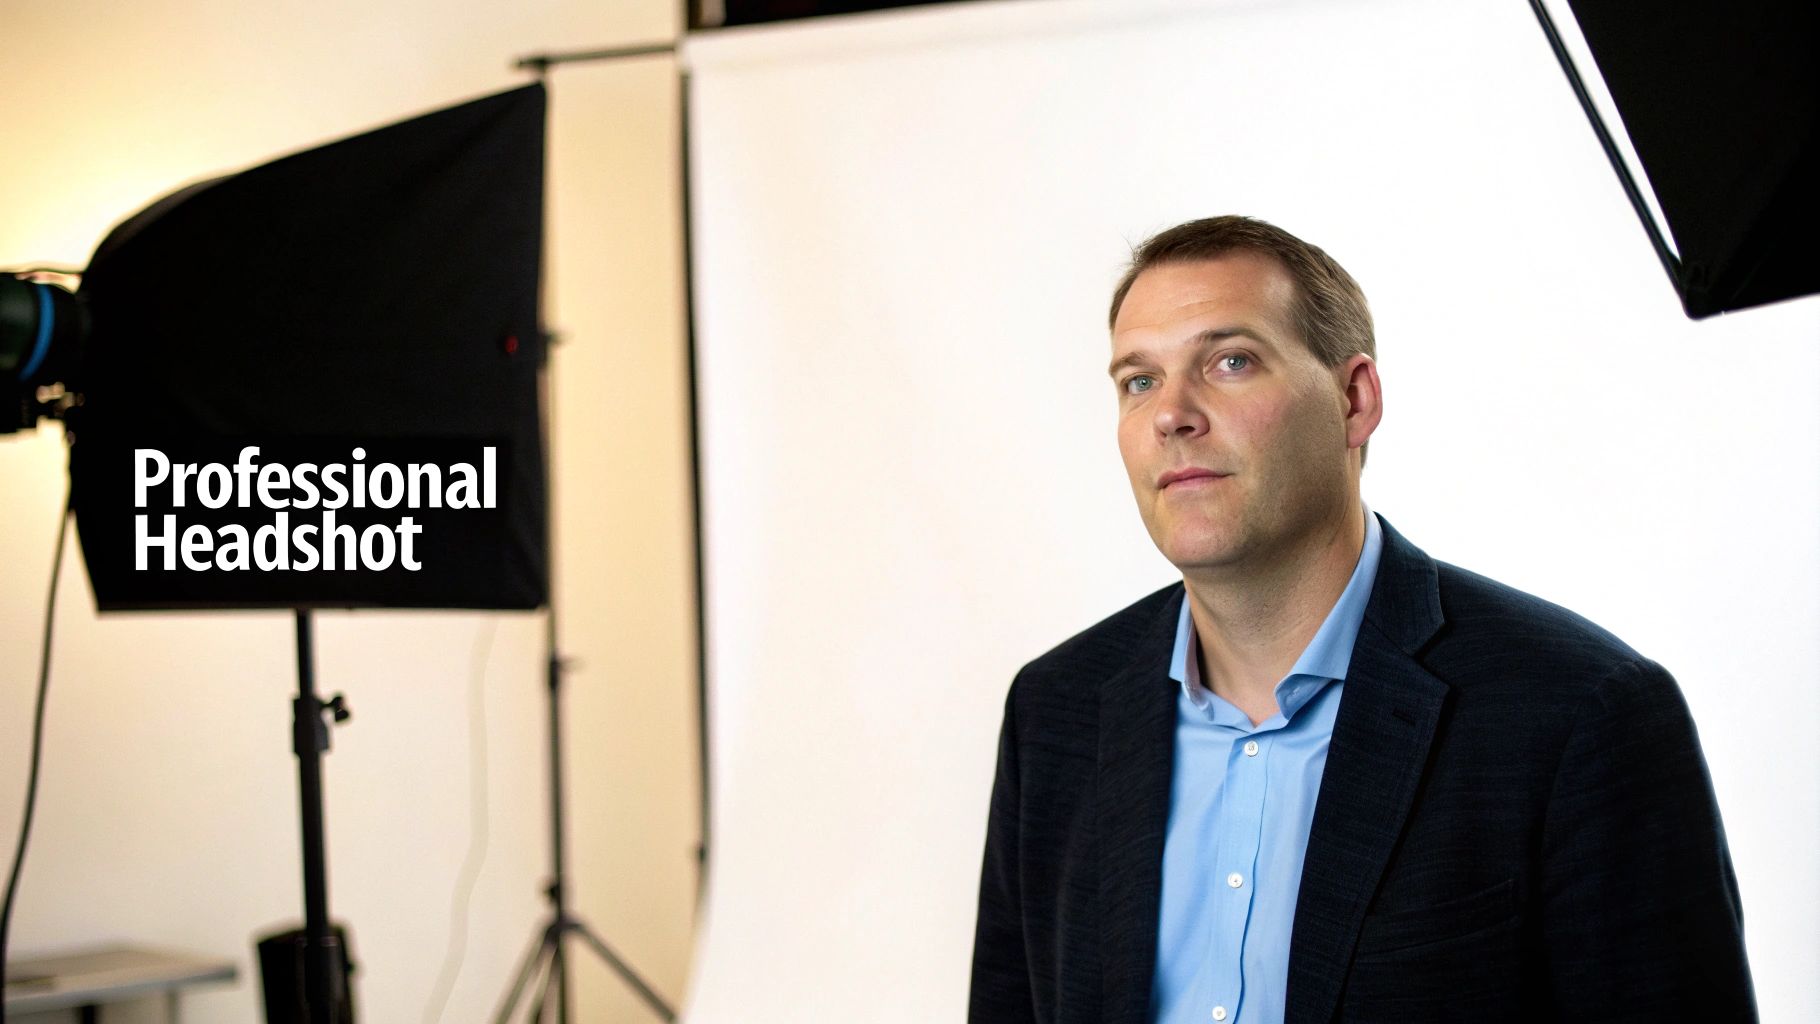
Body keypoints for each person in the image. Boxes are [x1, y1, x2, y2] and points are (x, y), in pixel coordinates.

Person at [967, 216, 1755, 1023]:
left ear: (1354, 400)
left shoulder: (1581, 714)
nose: (1172, 414)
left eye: (1230, 361)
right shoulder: (1055, 712)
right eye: (1138, 381)